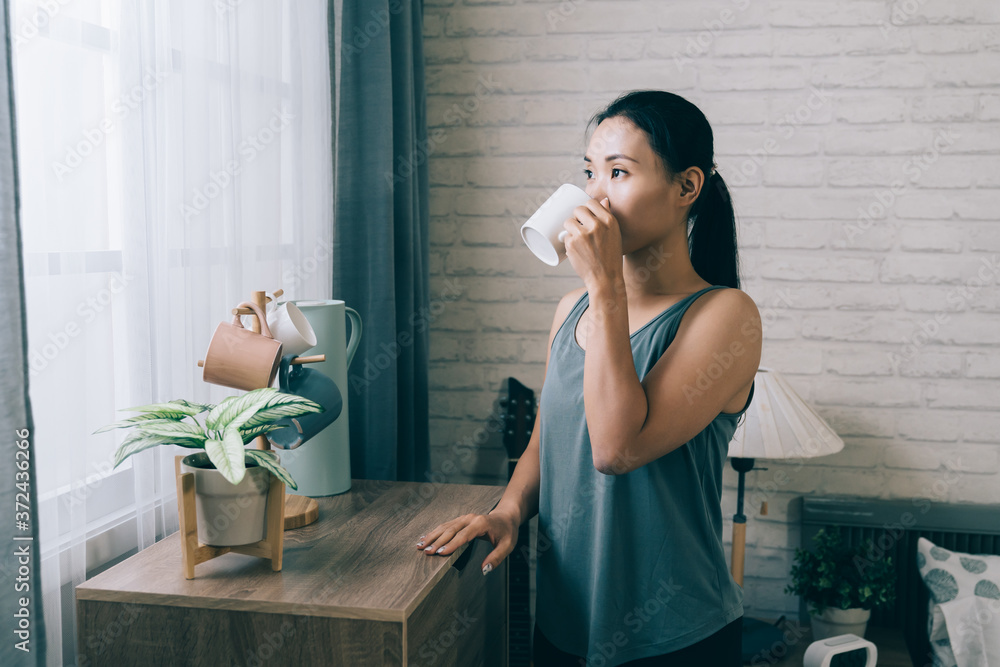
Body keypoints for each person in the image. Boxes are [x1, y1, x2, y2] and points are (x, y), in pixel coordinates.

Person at [415, 90, 761, 666]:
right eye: (588, 173)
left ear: (686, 188)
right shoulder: (572, 309)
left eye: (618, 172)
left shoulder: (725, 316)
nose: (594, 195)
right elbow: (550, 439)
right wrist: (507, 511)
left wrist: (606, 286)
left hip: (675, 635)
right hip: (564, 621)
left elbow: (615, 449)